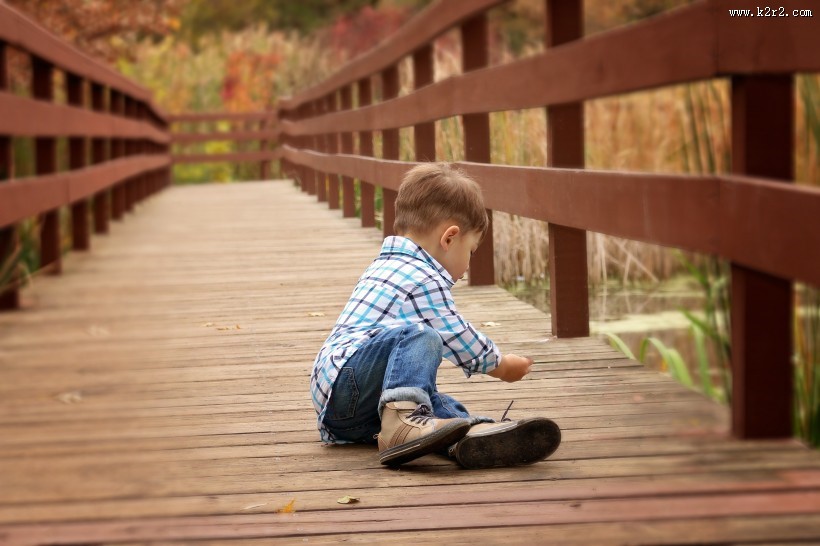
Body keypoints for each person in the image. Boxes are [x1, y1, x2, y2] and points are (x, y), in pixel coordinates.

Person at [310, 162, 561, 469]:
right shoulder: (421, 278)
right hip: (347, 387)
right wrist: (500, 365)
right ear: (449, 238)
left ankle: (465, 434)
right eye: (470, 250)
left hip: (349, 408)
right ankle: (405, 424)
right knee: (420, 335)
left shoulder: (385, 265)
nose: (468, 264)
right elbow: (455, 334)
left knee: (431, 400)